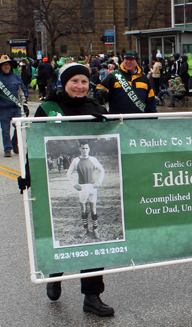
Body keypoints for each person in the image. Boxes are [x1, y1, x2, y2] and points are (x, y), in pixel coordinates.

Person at [18, 62, 114, 317]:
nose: (80, 86)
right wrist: (28, 172)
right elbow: (35, 143)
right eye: (75, 81)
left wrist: (107, 123)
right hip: (55, 185)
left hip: (89, 184)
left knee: (93, 238)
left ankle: (92, 297)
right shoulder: (48, 108)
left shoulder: (95, 106)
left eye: (84, 81)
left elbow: (114, 136)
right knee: (60, 232)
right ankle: (55, 274)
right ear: (64, 83)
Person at [67, 140, 105, 238]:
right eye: (83, 148)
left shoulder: (93, 159)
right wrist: (74, 184)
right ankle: (85, 229)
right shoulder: (76, 160)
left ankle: (95, 229)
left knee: (93, 209)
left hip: (92, 187)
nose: (85, 150)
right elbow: (69, 173)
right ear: (80, 149)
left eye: (86, 148)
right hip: (82, 187)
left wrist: (99, 182)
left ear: (89, 149)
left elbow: (102, 170)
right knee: (83, 210)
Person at [0, 54, 28, 157]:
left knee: (18, 128)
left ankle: (14, 144)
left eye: (7, 65)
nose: (6, 67)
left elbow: (22, 90)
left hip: (15, 107)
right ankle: (8, 149)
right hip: (3, 109)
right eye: (4, 65)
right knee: (5, 130)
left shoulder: (16, 77)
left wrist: (24, 104)